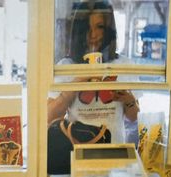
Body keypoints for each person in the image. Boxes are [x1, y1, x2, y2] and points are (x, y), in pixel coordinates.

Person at [48, 1, 140, 175]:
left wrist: (128, 100)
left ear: (109, 30)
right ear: (78, 30)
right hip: (77, 153)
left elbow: (133, 118)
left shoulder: (124, 65)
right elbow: (49, 116)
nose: (93, 34)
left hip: (115, 155)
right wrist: (77, 82)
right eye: (86, 27)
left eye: (100, 27)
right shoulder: (66, 66)